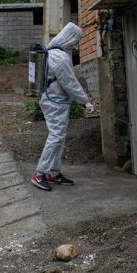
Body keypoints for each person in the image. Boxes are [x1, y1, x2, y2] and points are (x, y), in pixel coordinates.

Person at [30, 22, 94, 191]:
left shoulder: (56, 53)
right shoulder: (59, 57)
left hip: (57, 101)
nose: (76, 44)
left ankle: (54, 172)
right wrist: (84, 101)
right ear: (69, 37)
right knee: (56, 136)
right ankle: (40, 174)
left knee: (59, 137)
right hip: (54, 102)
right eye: (76, 40)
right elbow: (70, 83)